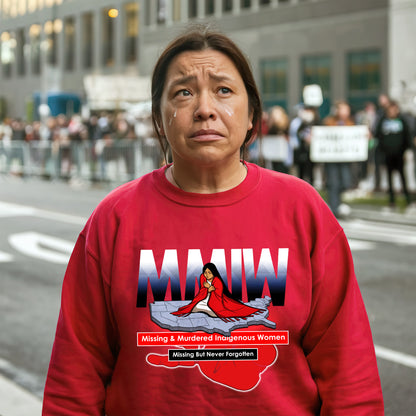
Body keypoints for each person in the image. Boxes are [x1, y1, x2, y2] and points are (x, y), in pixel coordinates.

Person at [42, 27, 384, 415]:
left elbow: (349, 375)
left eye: (223, 90)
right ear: (159, 116)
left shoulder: (302, 210)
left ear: (252, 112)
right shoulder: (114, 219)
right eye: (183, 92)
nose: (205, 108)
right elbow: (75, 378)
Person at [172, 263, 263, 320]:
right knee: (195, 306)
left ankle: (208, 309)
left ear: (213, 273)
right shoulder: (202, 277)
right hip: (204, 297)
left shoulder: (217, 281)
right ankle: (204, 308)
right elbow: (203, 290)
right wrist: (209, 288)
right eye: (205, 272)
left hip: (215, 301)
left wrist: (210, 288)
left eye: (209, 273)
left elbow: (217, 294)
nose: (207, 275)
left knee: (215, 313)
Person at [374, 100, 412, 207]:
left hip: (399, 154)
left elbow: (407, 136)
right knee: (389, 177)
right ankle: (391, 199)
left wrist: (407, 151)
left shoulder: (402, 121)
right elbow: (378, 135)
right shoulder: (383, 121)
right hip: (387, 154)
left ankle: (407, 198)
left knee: (403, 177)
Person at [322, 100, 355, 217]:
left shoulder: (351, 123)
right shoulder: (329, 122)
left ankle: (338, 203)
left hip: (345, 159)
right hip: (331, 159)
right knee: (333, 182)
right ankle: (334, 207)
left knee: (345, 182)